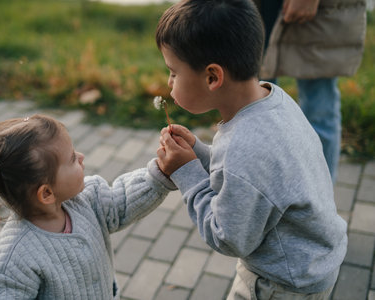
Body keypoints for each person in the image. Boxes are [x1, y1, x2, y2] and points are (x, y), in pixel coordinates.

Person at [154, 0, 347, 299]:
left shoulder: (245, 147)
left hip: (280, 284)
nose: (169, 83)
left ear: (212, 77)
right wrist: (200, 153)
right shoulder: (273, 99)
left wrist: (187, 173)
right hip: (310, 262)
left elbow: (228, 238)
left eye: (174, 73)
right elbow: (251, 177)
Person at [0, 114, 176, 299]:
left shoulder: (86, 200)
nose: (82, 157)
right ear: (46, 193)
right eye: (73, 158)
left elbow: (121, 201)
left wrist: (160, 174)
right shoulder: (12, 260)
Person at [256, 0, 367, 183]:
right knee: (251, 107)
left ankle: (320, 207)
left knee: (319, 109)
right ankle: (258, 197)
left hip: (319, 9)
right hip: (256, 7)